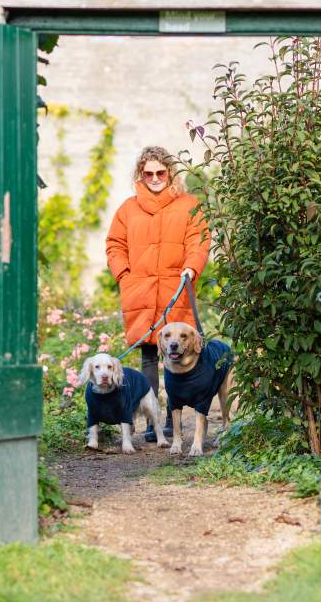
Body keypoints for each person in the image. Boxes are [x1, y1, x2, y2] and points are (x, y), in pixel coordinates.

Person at [106, 146, 210, 441]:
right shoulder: (128, 208)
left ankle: (172, 422)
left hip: (174, 288)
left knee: (177, 358)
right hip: (140, 290)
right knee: (149, 358)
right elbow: (114, 244)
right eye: (147, 173)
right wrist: (124, 275)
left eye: (160, 172)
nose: (154, 178)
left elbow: (199, 241)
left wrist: (191, 267)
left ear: (170, 173)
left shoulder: (189, 204)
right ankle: (152, 422)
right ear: (141, 173)